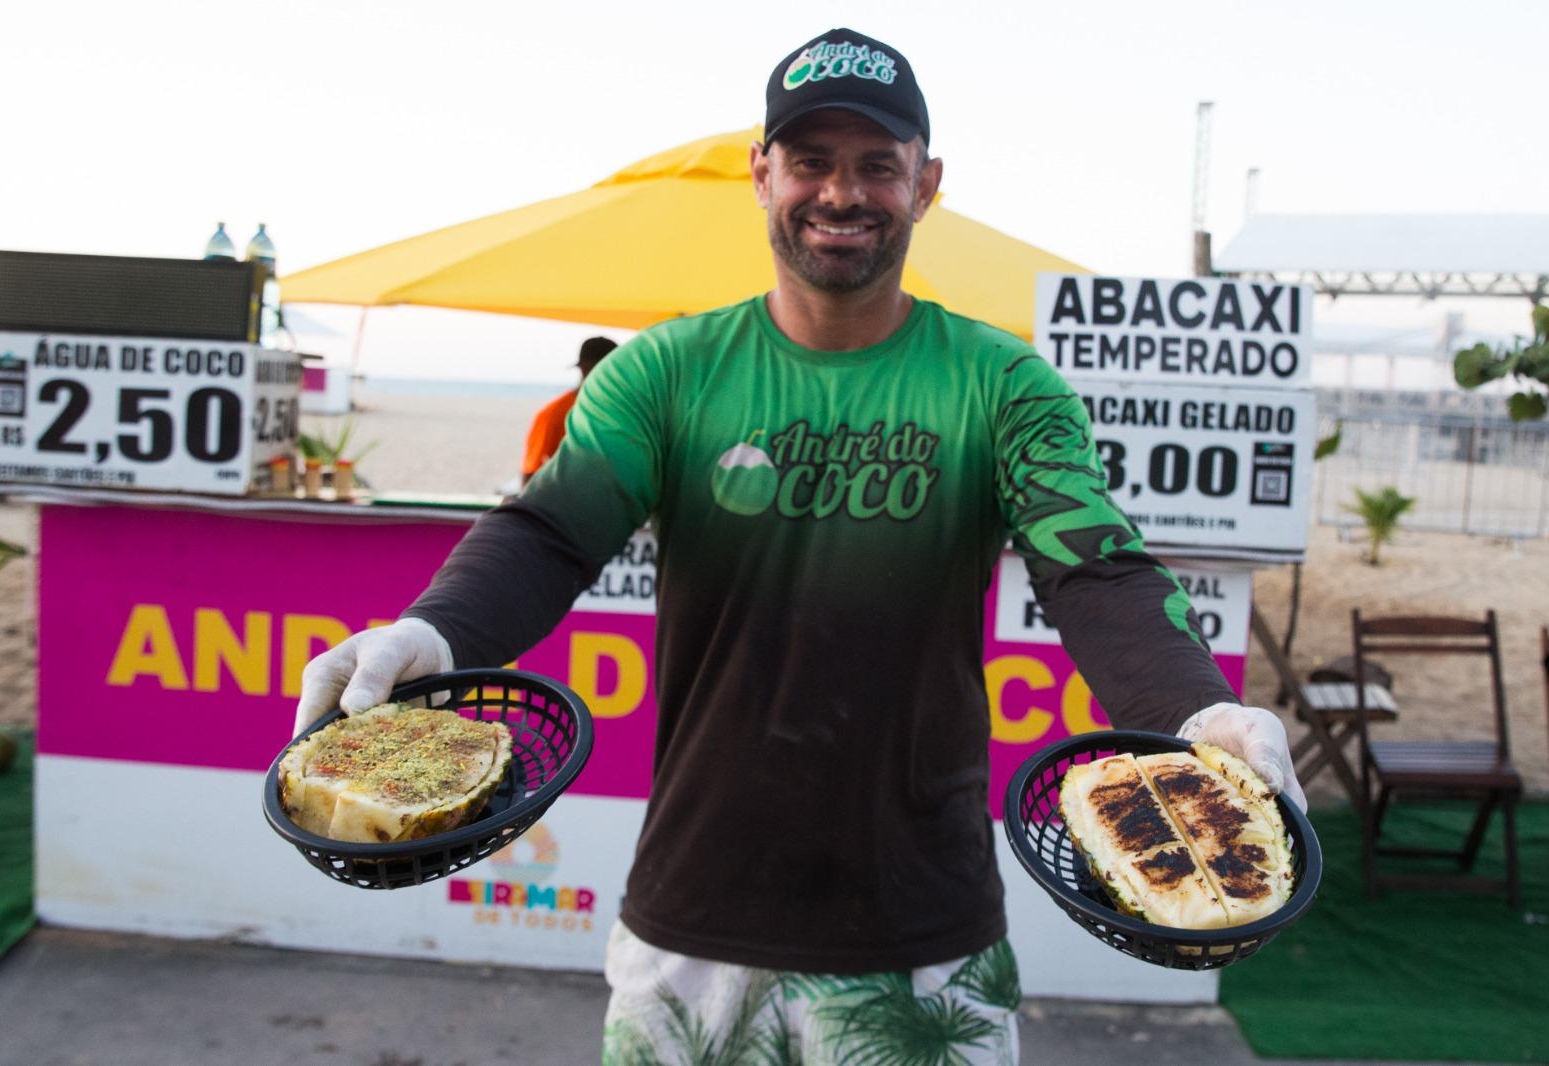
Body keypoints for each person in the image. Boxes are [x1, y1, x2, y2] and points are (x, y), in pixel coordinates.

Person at [294, 28, 1305, 1064]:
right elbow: (552, 529)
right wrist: (435, 629)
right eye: (811, 160)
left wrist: (1192, 707)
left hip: (925, 934)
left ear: (927, 185)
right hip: (693, 919)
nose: (840, 192)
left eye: (877, 164)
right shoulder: (665, 372)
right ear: (761, 172)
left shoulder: (1003, 384)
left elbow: (1093, 565)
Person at [519, 335, 618, 485]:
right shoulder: (553, 414)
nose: (616, 376)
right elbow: (530, 474)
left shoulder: (618, 411)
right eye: (609, 369)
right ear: (586, 369)